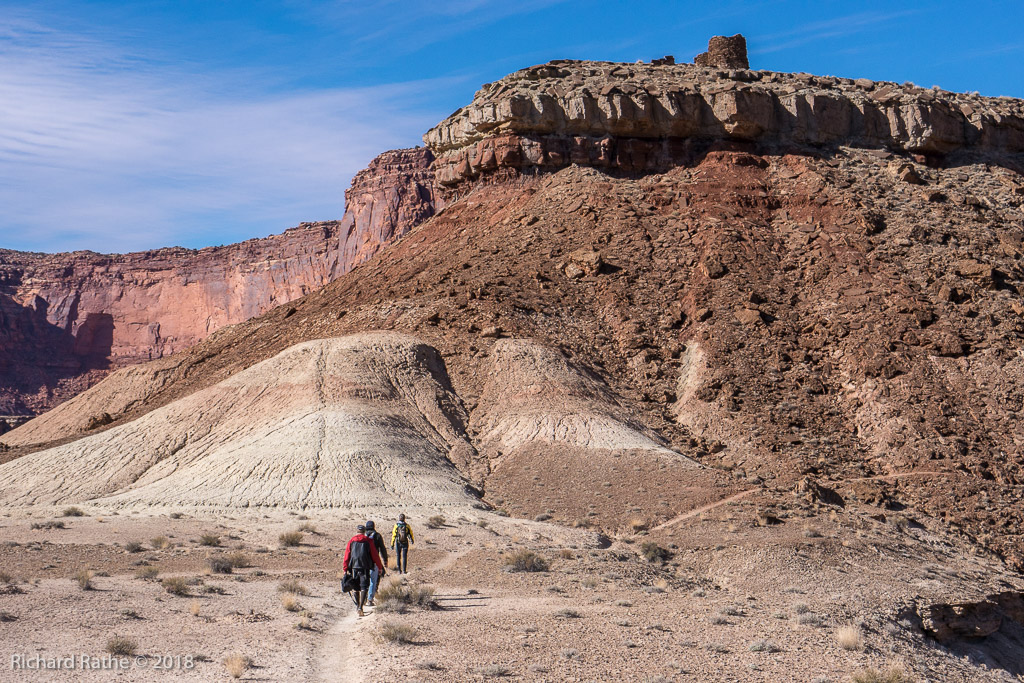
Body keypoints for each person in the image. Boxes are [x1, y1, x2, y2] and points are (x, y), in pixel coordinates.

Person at [343, 524, 384, 616]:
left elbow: (347, 555)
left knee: (355, 587)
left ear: (357, 531)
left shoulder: (351, 541)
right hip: (365, 567)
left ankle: (358, 606)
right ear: (364, 532)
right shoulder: (368, 541)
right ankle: (361, 607)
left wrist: (345, 568)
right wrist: (379, 567)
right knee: (364, 586)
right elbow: (375, 555)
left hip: (354, 567)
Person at [364, 520, 389, 606]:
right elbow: (382, 549)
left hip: (363, 561)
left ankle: (365, 596)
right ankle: (374, 592)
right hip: (374, 560)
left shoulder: (363, 536)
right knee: (378, 575)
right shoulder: (377, 536)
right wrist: (385, 560)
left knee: (365, 578)